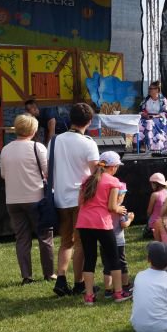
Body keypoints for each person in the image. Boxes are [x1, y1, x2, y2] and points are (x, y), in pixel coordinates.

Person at [0, 114, 55, 284]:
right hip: (35, 198)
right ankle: (49, 273)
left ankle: (26, 276)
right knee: (45, 237)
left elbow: (3, 174)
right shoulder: (38, 147)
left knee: (22, 238)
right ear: (34, 130)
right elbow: (48, 172)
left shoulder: (6, 149)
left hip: (12, 199)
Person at [51, 103, 100, 297]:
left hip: (60, 197)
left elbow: (48, 169)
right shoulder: (88, 143)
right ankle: (79, 282)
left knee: (66, 241)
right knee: (80, 243)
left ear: (70, 119)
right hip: (81, 198)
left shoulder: (55, 140)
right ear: (89, 121)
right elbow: (95, 172)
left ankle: (61, 278)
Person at [76, 151, 131, 305]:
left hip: (84, 223)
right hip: (102, 223)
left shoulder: (87, 180)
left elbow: (80, 203)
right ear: (113, 167)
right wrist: (120, 209)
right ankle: (118, 293)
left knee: (90, 258)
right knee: (114, 257)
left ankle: (89, 296)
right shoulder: (113, 181)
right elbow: (112, 207)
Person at [104, 183, 133, 298]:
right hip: (118, 241)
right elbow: (124, 224)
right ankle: (125, 285)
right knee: (122, 263)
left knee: (107, 265)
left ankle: (108, 290)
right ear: (120, 196)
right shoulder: (121, 210)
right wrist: (130, 219)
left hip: (105, 240)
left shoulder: (105, 208)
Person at [138, 80, 167, 152]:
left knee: (150, 123)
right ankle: (141, 145)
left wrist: (155, 117)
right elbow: (141, 110)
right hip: (147, 117)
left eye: (151, 89)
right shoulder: (146, 100)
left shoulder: (163, 101)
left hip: (160, 118)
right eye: (149, 88)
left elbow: (166, 113)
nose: (149, 90)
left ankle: (154, 146)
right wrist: (144, 114)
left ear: (157, 90)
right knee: (139, 123)